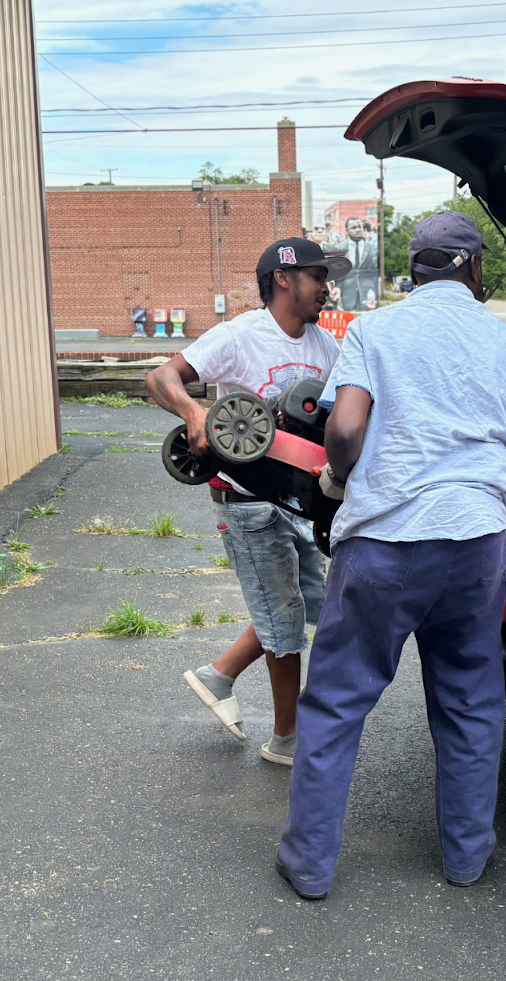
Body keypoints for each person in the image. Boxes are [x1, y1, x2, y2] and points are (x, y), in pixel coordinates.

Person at [275, 212, 506, 900]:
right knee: (470, 702)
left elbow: (345, 428)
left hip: (386, 543)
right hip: (476, 546)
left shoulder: (375, 331)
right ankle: (466, 857)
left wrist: (338, 477)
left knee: (337, 703)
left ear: (416, 268)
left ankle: (309, 865)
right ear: (473, 268)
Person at [145, 237, 352, 766]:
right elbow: (161, 376)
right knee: (283, 616)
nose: (325, 288)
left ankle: (219, 675)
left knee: (313, 602)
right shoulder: (239, 336)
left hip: (300, 498)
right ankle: (287, 740)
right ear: (283, 277)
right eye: (317, 276)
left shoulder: (325, 347)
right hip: (245, 501)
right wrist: (194, 414)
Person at [336, 216, 379, 311]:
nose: (358, 230)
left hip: (369, 293)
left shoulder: (374, 248)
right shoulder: (339, 249)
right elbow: (337, 273)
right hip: (347, 294)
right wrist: (338, 287)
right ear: (346, 230)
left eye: (360, 227)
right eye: (354, 228)